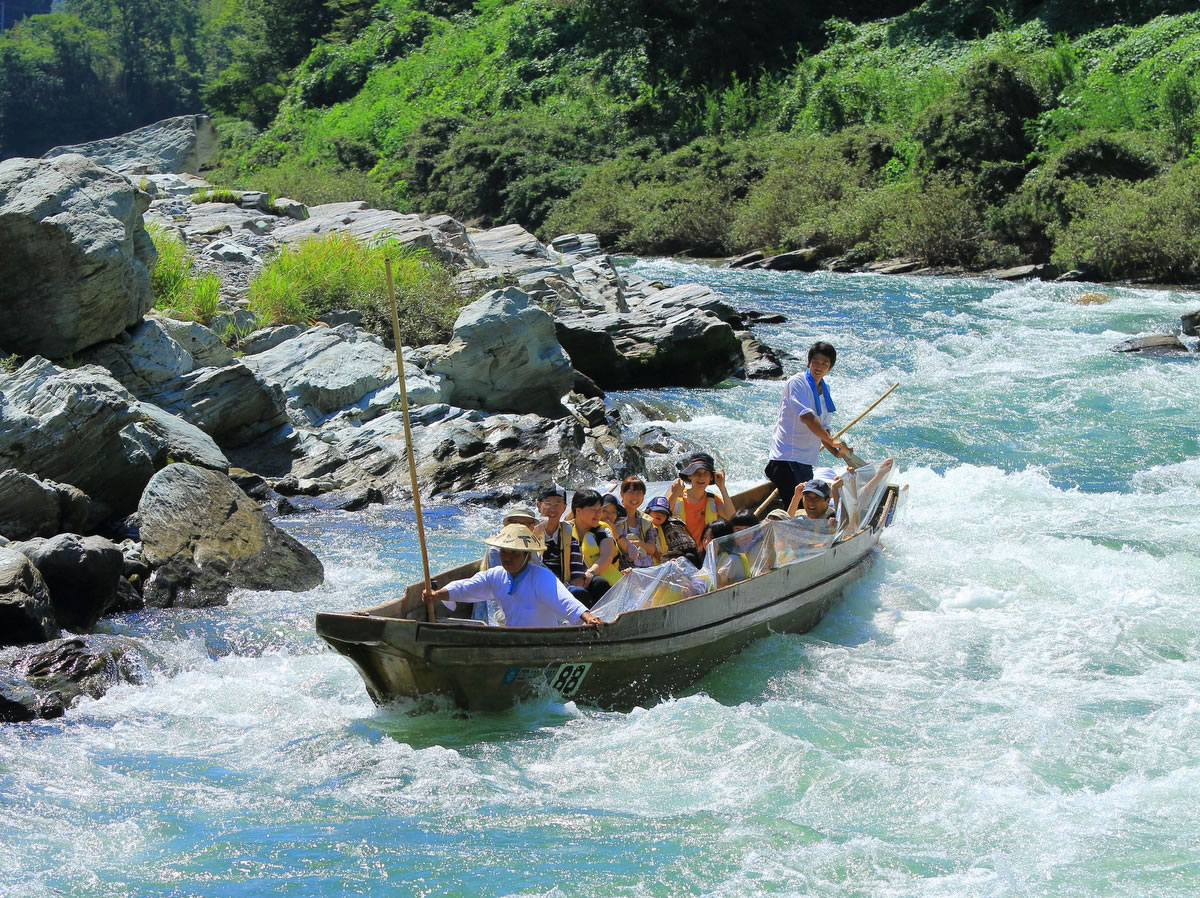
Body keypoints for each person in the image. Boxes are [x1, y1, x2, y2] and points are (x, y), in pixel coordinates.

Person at [424, 523, 604, 628]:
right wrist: (437, 594)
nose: (507, 558)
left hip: (542, 642)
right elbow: (467, 587)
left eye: (514, 553)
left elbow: (564, 600)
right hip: (513, 640)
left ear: (526, 555)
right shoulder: (496, 575)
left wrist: (588, 618)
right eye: (504, 552)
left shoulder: (540, 576)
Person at [766, 341, 852, 504]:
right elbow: (807, 417)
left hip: (805, 462)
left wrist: (835, 451)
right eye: (816, 362)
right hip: (787, 459)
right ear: (809, 362)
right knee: (796, 507)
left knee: (805, 506)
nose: (819, 367)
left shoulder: (825, 390)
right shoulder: (797, 382)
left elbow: (823, 428)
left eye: (825, 363)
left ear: (830, 367)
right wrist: (832, 441)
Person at [534, 484, 604, 607]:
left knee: (595, 586)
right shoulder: (527, 533)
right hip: (535, 589)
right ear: (539, 505)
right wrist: (533, 533)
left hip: (563, 589)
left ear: (564, 508)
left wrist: (563, 590)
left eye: (558, 504)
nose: (553, 509)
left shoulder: (568, 537)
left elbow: (578, 576)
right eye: (548, 503)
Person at [668, 451, 735, 545]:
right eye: (697, 473)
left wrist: (722, 488)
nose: (701, 477)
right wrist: (674, 494)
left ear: (711, 477)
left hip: (706, 550)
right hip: (681, 550)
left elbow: (731, 517)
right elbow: (662, 514)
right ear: (690, 475)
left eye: (705, 473)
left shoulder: (714, 499)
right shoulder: (677, 495)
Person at [572, 488, 623, 591]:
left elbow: (607, 556)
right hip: (575, 583)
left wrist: (590, 572)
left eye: (600, 509)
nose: (599, 514)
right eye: (594, 510)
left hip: (606, 586)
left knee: (599, 583)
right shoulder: (565, 530)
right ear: (578, 510)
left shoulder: (603, 530)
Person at [616, 476, 657, 567]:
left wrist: (637, 543)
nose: (635, 497)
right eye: (630, 492)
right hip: (621, 566)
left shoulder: (646, 520)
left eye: (639, 493)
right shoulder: (615, 518)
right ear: (622, 494)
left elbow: (652, 549)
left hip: (644, 568)